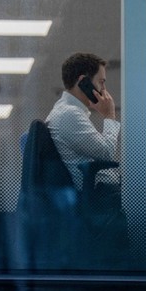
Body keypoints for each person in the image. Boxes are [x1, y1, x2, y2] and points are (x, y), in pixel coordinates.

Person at [45, 52, 120, 196]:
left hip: (103, 194)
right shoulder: (68, 114)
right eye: (101, 82)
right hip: (102, 198)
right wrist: (110, 116)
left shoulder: (66, 111)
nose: (103, 89)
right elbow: (106, 153)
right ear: (83, 82)